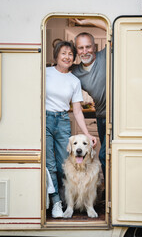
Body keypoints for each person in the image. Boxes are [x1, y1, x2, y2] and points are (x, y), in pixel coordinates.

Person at [46, 41, 97, 218]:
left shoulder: (74, 81)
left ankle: (64, 199)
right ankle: (56, 203)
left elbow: (77, 110)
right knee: (50, 164)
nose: (67, 57)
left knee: (64, 164)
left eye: (70, 54)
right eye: (63, 53)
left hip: (62, 120)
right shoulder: (45, 73)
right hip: (44, 119)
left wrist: (88, 134)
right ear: (56, 56)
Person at [71, 18, 107, 180]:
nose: (85, 51)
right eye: (80, 48)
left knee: (109, 154)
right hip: (102, 116)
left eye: (88, 47)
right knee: (105, 156)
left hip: (121, 115)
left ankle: (111, 192)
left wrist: (86, 21)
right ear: (76, 51)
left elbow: (113, 27)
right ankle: (108, 192)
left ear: (95, 47)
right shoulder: (75, 72)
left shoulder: (105, 55)